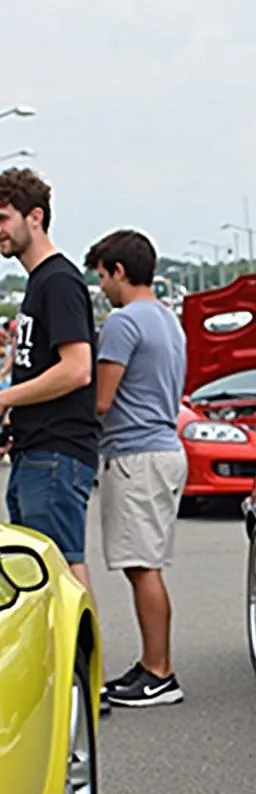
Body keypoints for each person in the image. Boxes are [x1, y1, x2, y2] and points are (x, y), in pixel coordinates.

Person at [84, 229, 188, 708]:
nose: (101, 285)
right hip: (165, 447)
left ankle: (159, 672)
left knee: (142, 566)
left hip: (135, 455)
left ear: (119, 272)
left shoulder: (123, 324)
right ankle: (151, 664)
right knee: (144, 562)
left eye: (102, 275)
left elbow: (101, 400)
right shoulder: (168, 321)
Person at [0, 167, 100, 594]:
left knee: (59, 573)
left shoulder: (58, 280)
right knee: (37, 580)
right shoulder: (38, 282)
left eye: (3, 218)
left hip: (57, 453)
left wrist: (4, 397)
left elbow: (77, 368)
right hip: (33, 449)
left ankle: (79, 662)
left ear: (34, 217)